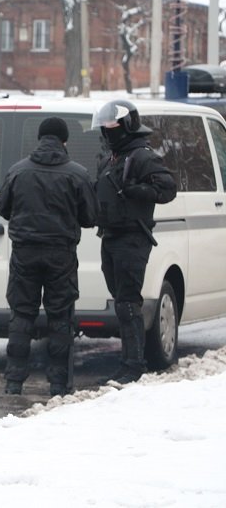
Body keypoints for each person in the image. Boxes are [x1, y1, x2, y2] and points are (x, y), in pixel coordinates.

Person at [0, 117, 98, 397]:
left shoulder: (18, 171)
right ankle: (57, 384)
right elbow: (90, 217)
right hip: (61, 255)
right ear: (64, 141)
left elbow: (4, 208)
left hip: (24, 253)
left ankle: (14, 382)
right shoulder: (77, 174)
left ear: (40, 139)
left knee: (21, 315)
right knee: (60, 318)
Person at [92, 99, 177, 384]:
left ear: (127, 125)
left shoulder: (142, 156)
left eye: (112, 126)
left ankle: (133, 365)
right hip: (111, 236)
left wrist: (137, 190)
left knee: (128, 302)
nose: (107, 131)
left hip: (132, 238)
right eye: (104, 127)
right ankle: (129, 360)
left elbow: (167, 189)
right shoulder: (110, 158)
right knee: (121, 301)